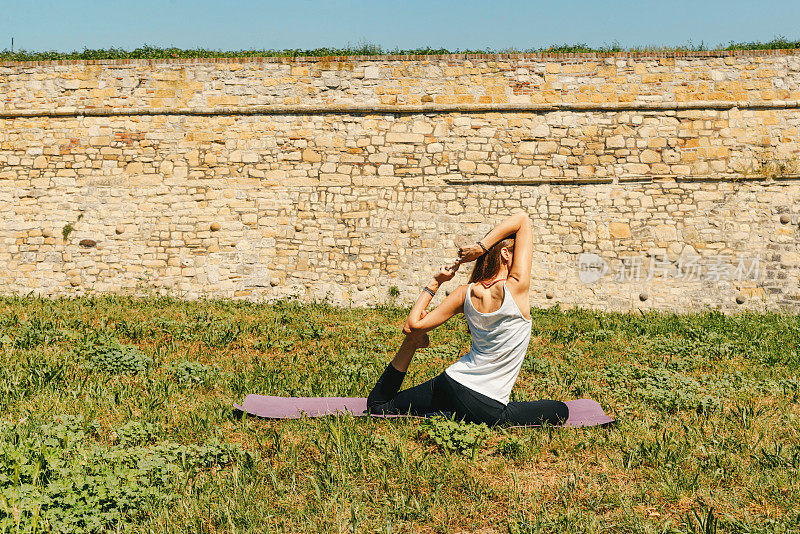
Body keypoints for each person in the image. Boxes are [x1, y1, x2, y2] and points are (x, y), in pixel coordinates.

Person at [367, 211, 569, 426]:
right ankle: (450, 416)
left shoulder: (465, 293)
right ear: (505, 254)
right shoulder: (516, 287)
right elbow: (523, 219)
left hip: (451, 382)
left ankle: (415, 353)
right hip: (485, 405)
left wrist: (436, 282)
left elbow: (412, 326)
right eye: (518, 252)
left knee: (378, 407)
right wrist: (480, 247)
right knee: (560, 410)